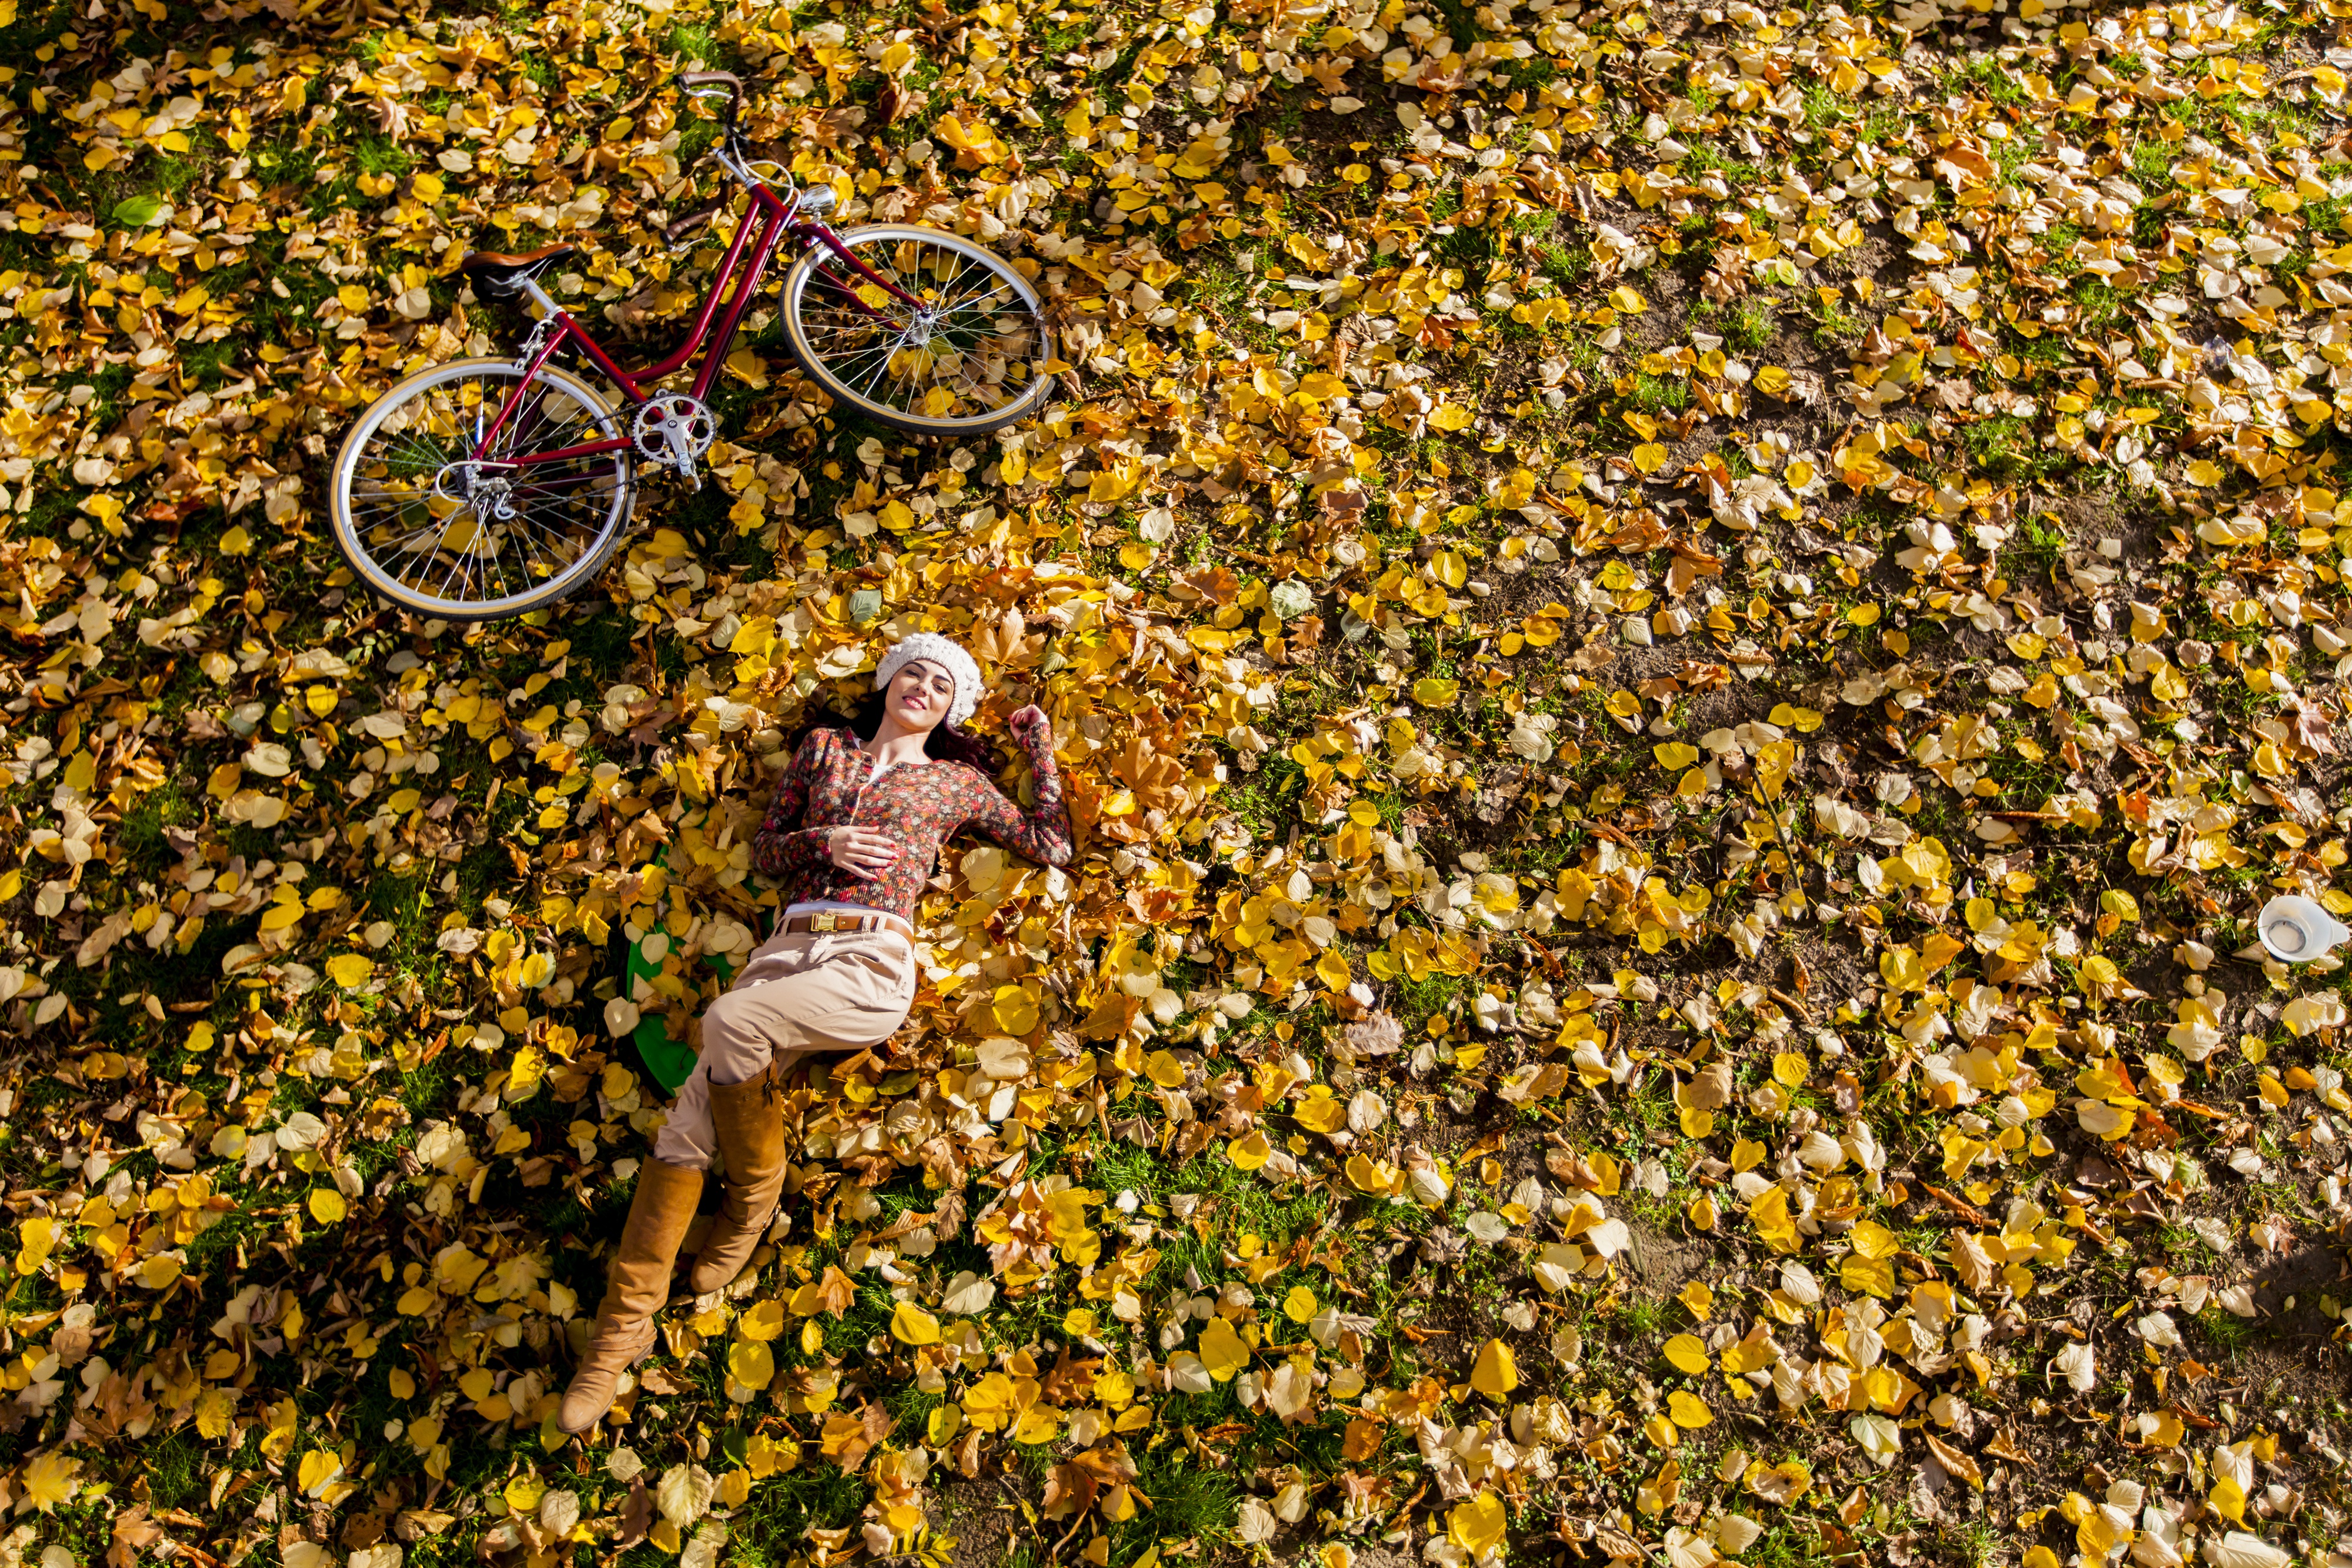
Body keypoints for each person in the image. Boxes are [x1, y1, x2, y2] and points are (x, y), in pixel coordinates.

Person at [558, 633, 1073, 1434]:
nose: (926, 686)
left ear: (951, 710)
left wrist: (1037, 747)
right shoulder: (825, 748)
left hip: (869, 963)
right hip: (784, 951)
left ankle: (753, 1199)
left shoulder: (954, 783)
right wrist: (819, 845)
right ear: (890, 680)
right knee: (681, 1133)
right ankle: (615, 1343)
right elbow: (767, 852)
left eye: (944, 684)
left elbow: (1053, 842)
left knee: (728, 1019)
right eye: (917, 670)